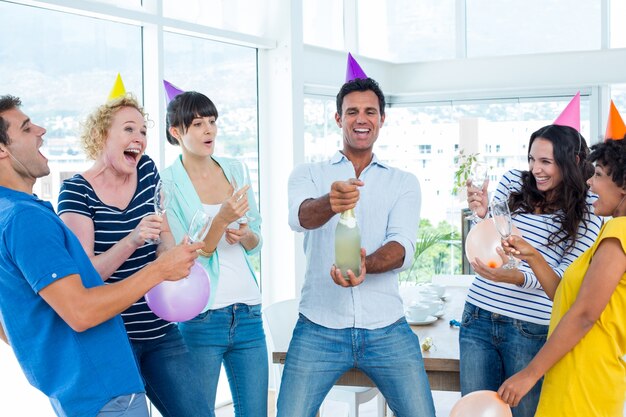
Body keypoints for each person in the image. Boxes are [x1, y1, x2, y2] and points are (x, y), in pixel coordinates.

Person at [0, 96, 202, 417]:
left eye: (142, 129)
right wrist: (159, 269)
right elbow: (81, 311)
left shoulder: (12, 211)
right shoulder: (25, 217)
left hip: (86, 383)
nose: (41, 130)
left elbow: (11, 320)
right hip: (100, 385)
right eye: (26, 128)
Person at [277, 77, 436, 417]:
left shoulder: (402, 182)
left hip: (386, 327)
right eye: (352, 112)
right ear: (338, 118)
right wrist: (330, 201)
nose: (361, 119)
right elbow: (299, 217)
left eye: (370, 112)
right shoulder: (308, 173)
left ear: (381, 119)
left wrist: (367, 265)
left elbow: (403, 245)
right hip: (318, 326)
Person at [57, 95, 210, 417]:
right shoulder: (76, 191)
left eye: (143, 131)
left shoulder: (146, 171)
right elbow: (86, 276)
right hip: (111, 341)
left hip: (160, 333)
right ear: (101, 136)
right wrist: (133, 239)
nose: (139, 139)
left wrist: (175, 256)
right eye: (129, 129)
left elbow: (163, 236)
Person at [463, 124, 603, 417]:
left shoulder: (591, 208)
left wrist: (518, 278)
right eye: (531, 159)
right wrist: (480, 217)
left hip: (530, 328)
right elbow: (489, 241)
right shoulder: (513, 181)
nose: (535, 169)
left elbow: (562, 280)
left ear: (574, 161)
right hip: (478, 315)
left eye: (546, 162)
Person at [497, 138, 626, 417]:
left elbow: (584, 315)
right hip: (570, 369)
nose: (590, 183)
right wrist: (532, 255)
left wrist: (529, 374)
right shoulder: (612, 232)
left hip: (585, 378)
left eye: (600, 175)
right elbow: (567, 300)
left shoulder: (619, 232)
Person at [161, 91, 267, 417]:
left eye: (212, 121)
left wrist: (246, 234)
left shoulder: (235, 169)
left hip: (249, 314)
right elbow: (186, 256)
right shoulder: (168, 183)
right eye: (198, 124)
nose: (209, 130)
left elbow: (257, 241)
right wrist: (221, 220)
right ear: (176, 132)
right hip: (202, 319)